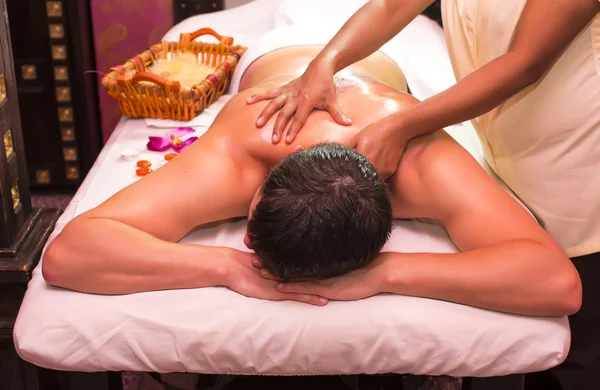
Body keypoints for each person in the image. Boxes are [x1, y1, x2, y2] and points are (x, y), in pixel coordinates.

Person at [42, 38, 581, 318]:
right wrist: (223, 265)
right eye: (249, 237)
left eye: (243, 237)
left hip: (386, 61)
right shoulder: (240, 153)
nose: (244, 240)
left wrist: (386, 274)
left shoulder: (423, 163)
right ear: (262, 184)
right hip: (280, 56)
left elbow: (557, 284)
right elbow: (69, 255)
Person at [246, 1, 600, 389]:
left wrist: (401, 126)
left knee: (580, 338)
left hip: (580, 154)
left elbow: (524, 61)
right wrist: (325, 63)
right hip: (508, 140)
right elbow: (392, 6)